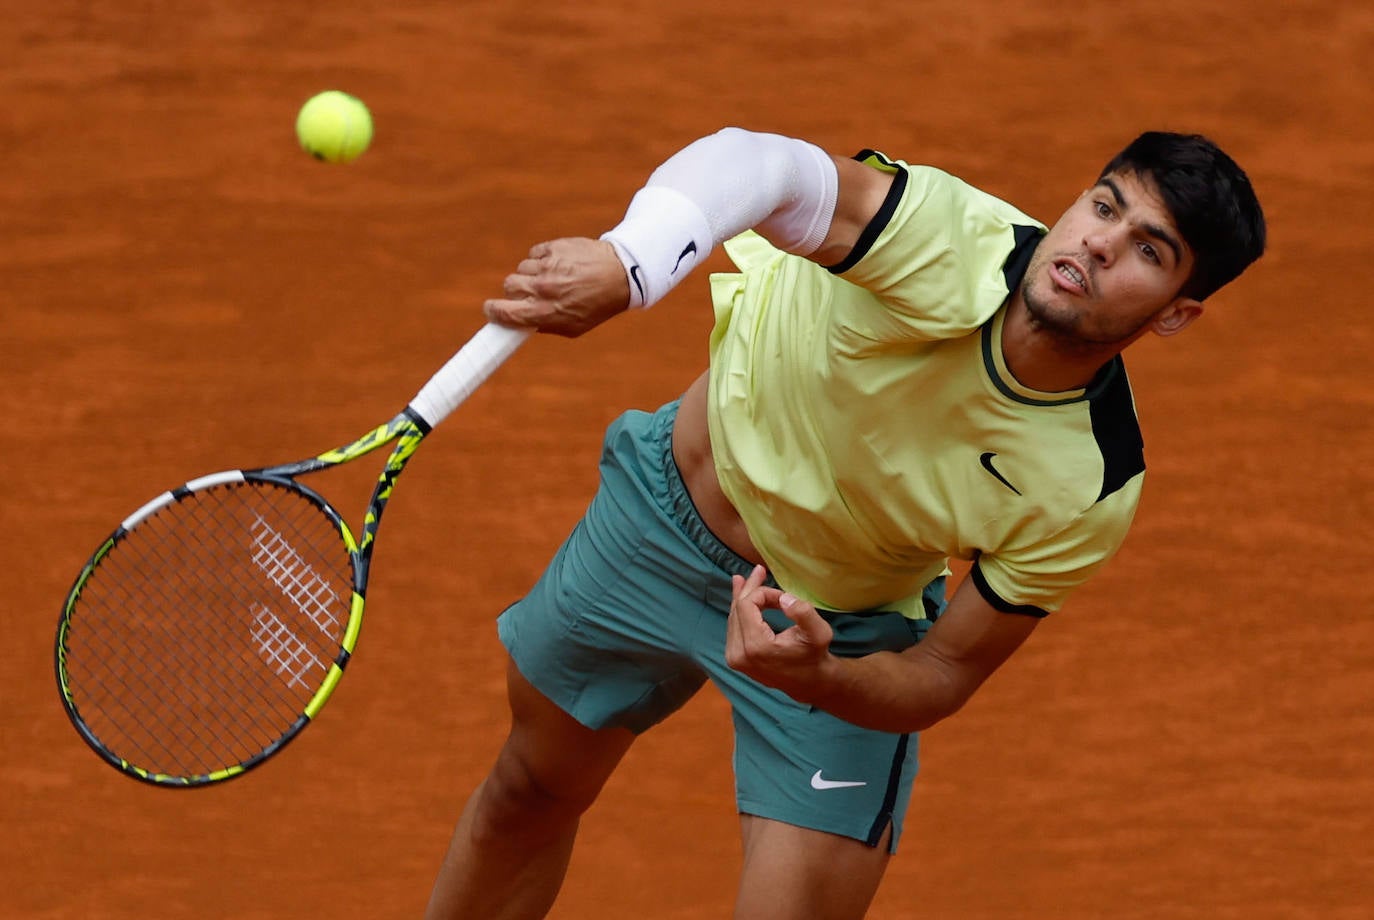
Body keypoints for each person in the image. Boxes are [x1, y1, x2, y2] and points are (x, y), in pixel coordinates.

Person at [423, 126, 1266, 919]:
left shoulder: (1087, 483)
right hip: (656, 523)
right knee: (528, 791)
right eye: (1105, 206)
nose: (1099, 243)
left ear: (1174, 313)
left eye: (1149, 252)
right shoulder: (944, 236)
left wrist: (820, 677)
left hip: (834, 625)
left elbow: (942, 672)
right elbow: (759, 166)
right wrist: (629, 264)